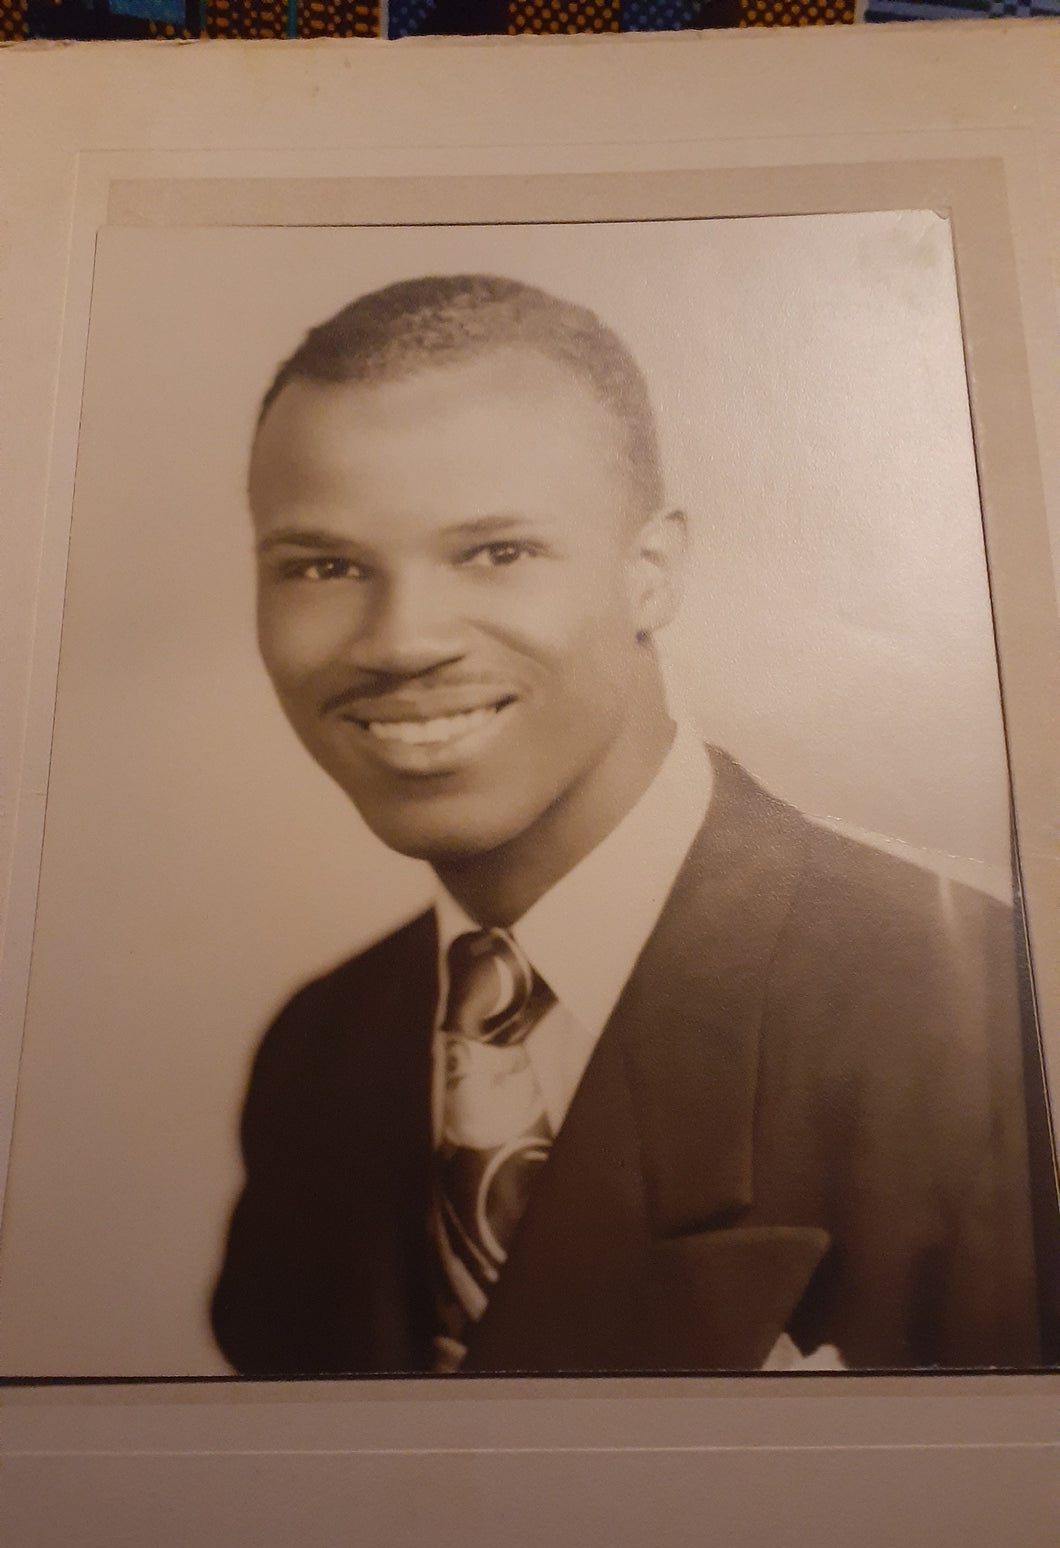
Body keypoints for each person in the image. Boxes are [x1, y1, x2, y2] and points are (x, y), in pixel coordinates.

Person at [211, 272, 1051, 1378]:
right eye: (324, 565)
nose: (400, 641)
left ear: (650, 574)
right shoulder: (321, 1052)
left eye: (495, 552)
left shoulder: (972, 1018)